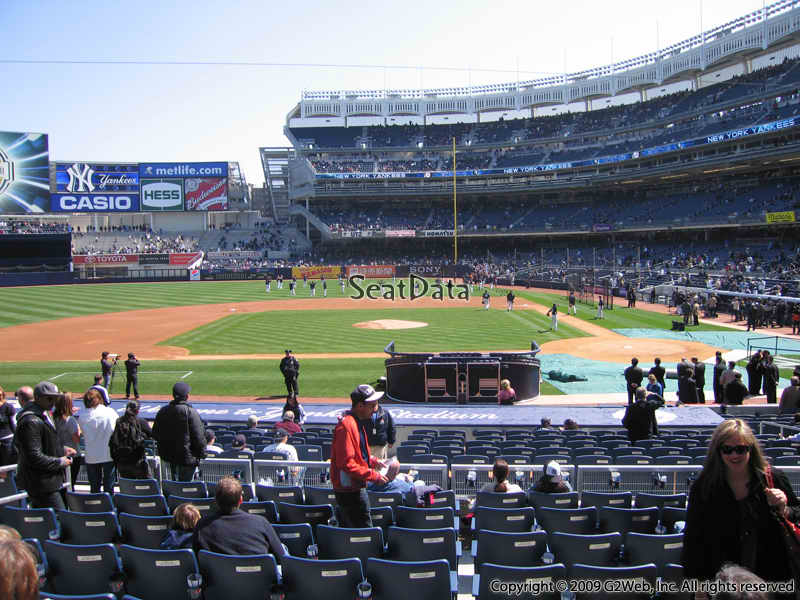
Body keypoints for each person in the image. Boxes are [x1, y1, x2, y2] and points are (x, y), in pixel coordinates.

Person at [681, 419, 800, 588]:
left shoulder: (774, 478)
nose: (734, 455)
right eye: (727, 450)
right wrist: (699, 587)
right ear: (718, 451)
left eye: (741, 449)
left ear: (751, 449)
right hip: (722, 582)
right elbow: (693, 541)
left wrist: (784, 507)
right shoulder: (704, 487)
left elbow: (796, 514)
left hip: (773, 579)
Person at [331, 384, 389, 528]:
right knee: (362, 535)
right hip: (349, 493)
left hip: (354, 488)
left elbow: (358, 454)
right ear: (360, 406)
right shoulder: (346, 426)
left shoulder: (356, 422)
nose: (375, 409)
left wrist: (372, 460)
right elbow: (347, 464)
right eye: (372, 405)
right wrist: (373, 476)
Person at [14, 381, 75, 509]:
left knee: (46, 520)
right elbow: (33, 456)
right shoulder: (31, 420)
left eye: (55, 398)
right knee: (58, 520)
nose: (53, 402)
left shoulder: (42, 414)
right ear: (37, 398)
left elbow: (43, 444)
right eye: (49, 398)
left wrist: (61, 450)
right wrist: (59, 461)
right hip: (41, 483)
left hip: (45, 481)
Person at [193, 476, 286, 558]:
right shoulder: (261, 522)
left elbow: (197, 558)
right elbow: (281, 558)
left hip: (217, 577)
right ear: (240, 500)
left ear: (216, 500)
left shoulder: (201, 526)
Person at [152, 382, 205, 481]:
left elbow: (155, 434)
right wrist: (201, 455)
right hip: (187, 459)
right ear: (187, 396)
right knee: (185, 489)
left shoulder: (163, 411)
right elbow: (199, 437)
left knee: (173, 487)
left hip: (168, 458)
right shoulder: (191, 412)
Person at [81, 388, 118, 494]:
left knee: (94, 488)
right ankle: (108, 507)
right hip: (107, 454)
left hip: (92, 455)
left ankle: (96, 508)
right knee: (109, 488)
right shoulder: (110, 412)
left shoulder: (83, 416)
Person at [109, 400, 150, 479]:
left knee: (128, 487)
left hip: (122, 462)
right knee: (145, 486)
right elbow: (152, 435)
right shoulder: (141, 421)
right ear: (137, 411)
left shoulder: (119, 421)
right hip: (137, 461)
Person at [54, 392, 81, 489]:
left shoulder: (53, 417)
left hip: (58, 454)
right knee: (69, 485)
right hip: (72, 455)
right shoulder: (71, 420)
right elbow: (76, 439)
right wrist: (79, 428)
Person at [0, 386, 16, 467]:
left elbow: (12, 423)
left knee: (7, 464)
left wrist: (17, 436)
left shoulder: (8, 407)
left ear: (3, 395)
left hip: (6, 439)